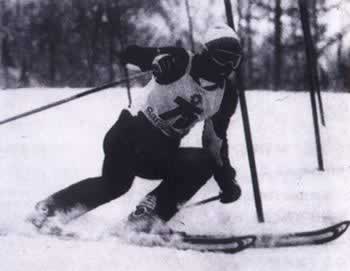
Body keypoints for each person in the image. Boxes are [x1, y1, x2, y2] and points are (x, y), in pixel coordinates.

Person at [29, 24, 243, 235]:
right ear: (205, 53)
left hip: (161, 150)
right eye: (223, 58)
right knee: (116, 184)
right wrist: (157, 61)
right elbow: (129, 55)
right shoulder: (181, 60)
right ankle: (49, 211)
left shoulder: (226, 95)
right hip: (129, 134)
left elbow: (215, 142)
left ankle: (143, 217)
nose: (228, 67)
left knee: (200, 163)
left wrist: (226, 180)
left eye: (235, 61)